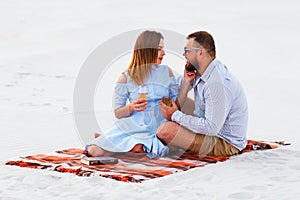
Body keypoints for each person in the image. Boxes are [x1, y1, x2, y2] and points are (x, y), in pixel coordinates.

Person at [86, 30, 178, 158]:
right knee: (95, 152)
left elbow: (175, 102)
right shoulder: (126, 77)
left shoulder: (167, 72)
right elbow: (118, 112)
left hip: (159, 125)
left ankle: (109, 140)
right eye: (159, 49)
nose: (164, 53)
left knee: (140, 148)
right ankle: (107, 141)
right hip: (134, 125)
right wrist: (131, 107)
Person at [157, 31, 248, 157]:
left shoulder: (216, 84)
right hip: (210, 128)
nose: (184, 54)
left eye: (187, 51)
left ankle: (173, 142)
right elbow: (173, 87)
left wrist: (174, 115)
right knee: (168, 102)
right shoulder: (201, 70)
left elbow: (211, 128)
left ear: (201, 52)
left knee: (165, 131)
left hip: (225, 142)